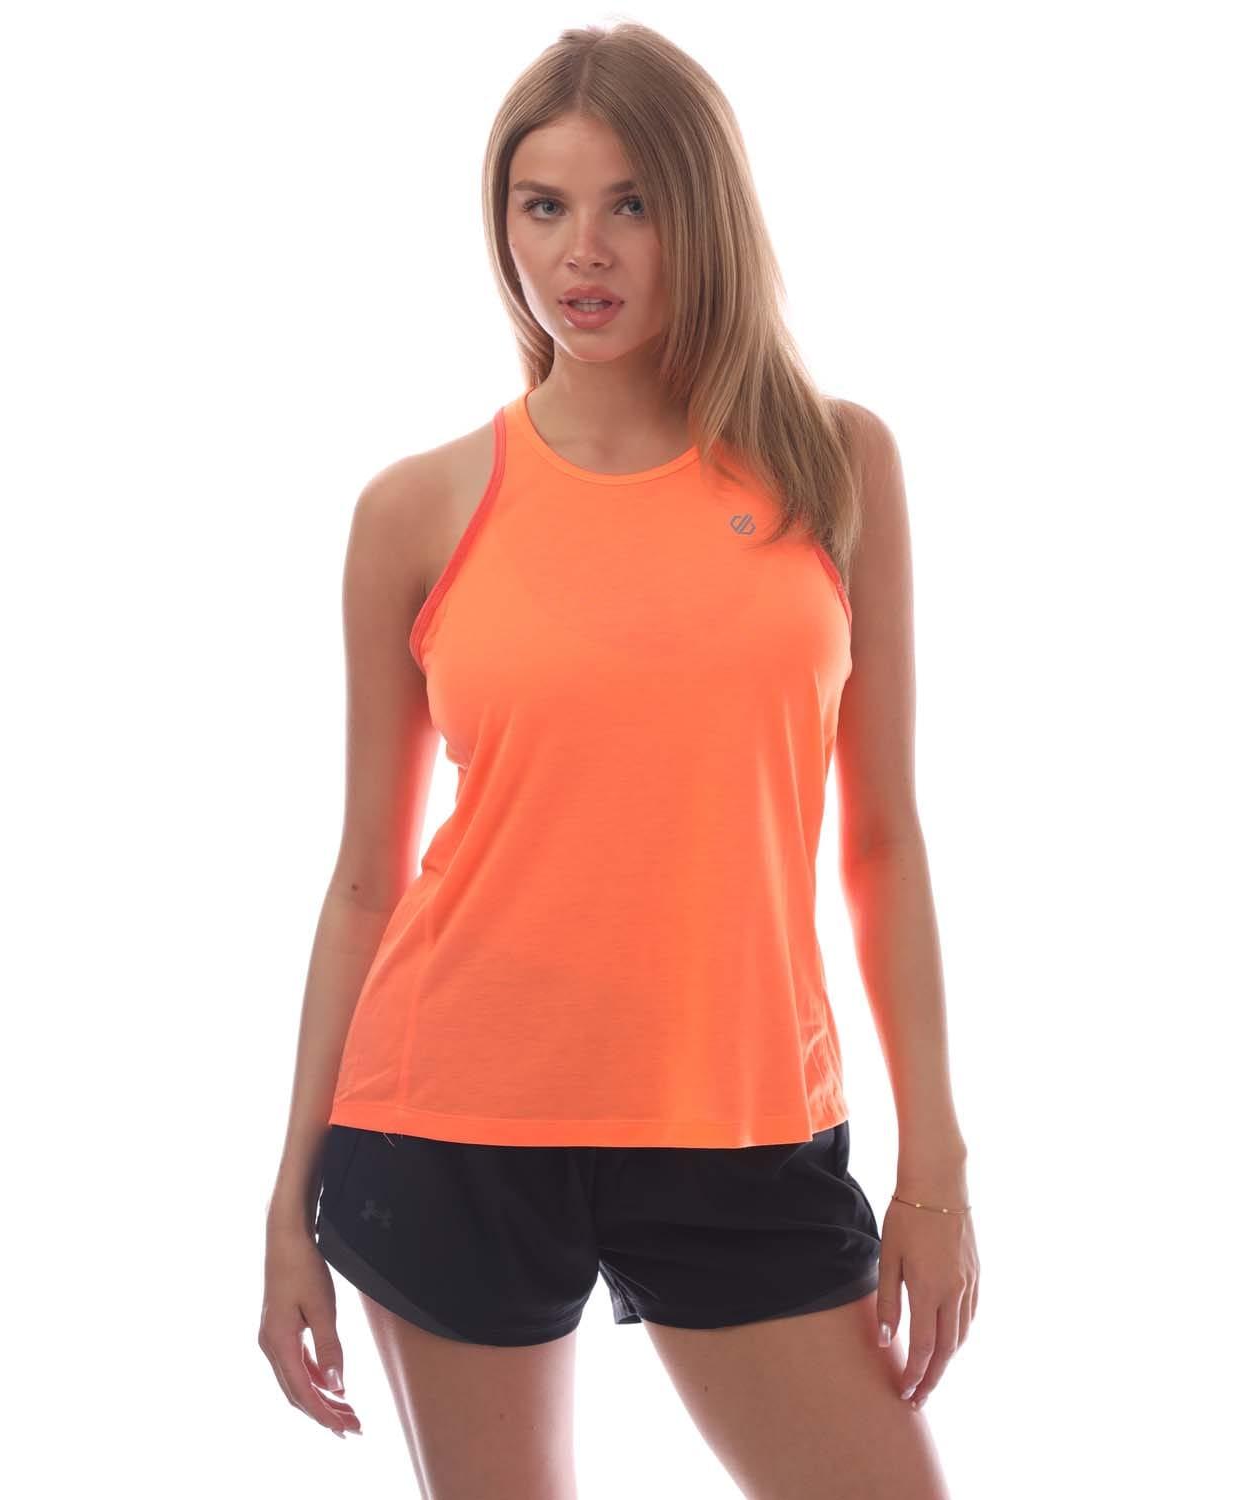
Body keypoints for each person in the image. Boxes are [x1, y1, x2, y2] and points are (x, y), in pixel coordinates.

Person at [260, 21, 977, 1499]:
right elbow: (363, 880)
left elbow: (883, 842)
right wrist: (284, 1204)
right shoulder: (416, 510)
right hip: (446, 1121)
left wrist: (936, 1167)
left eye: (632, 203)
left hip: (744, 1122)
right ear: (503, 222)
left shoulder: (835, 467)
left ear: (703, 216)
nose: (582, 251)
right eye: (545, 205)